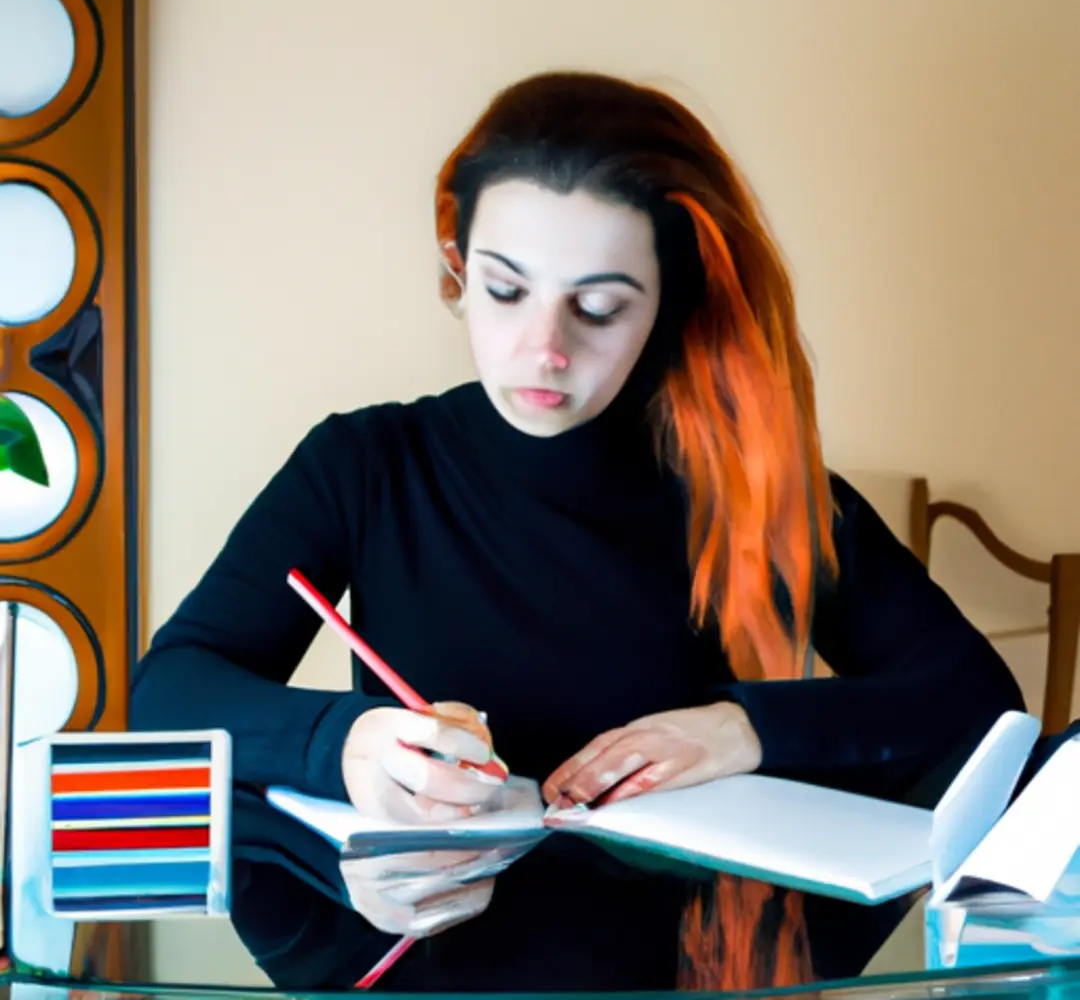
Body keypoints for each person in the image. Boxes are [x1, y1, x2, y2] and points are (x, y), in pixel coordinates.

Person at [130, 70, 1024, 993]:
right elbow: (170, 689)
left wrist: (741, 730)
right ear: (454, 266)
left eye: (599, 306)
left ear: (667, 301)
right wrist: (350, 744)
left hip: (687, 967)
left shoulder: (757, 487)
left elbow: (972, 694)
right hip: (426, 954)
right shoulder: (365, 461)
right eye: (505, 290)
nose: (546, 349)